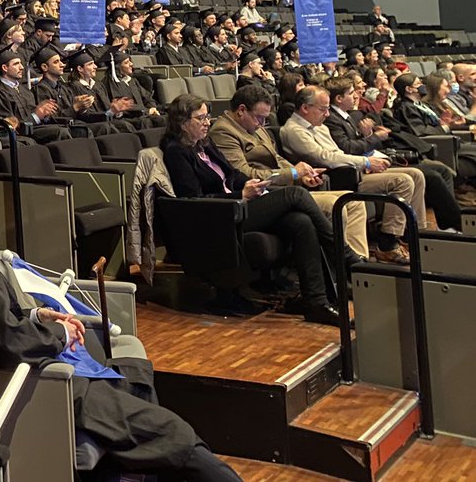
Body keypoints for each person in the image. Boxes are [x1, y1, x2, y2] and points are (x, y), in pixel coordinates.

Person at [0, 168, 242, 482]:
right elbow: (4, 342)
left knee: (135, 377)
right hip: (46, 388)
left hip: (49, 376)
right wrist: (61, 332)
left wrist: (37, 316)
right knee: (177, 436)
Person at [162, 94, 342, 325]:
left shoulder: (204, 144)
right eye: (201, 118)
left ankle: (315, 302)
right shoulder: (176, 152)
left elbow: (234, 175)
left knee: (300, 222)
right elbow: (194, 199)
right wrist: (241, 195)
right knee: (296, 194)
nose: (207, 122)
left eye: (208, 116)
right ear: (182, 122)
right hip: (221, 216)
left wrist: (250, 185)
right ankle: (342, 254)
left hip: (239, 206)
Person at [207, 86, 369, 262]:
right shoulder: (223, 131)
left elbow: (276, 158)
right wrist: (292, 173)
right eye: (259, 117)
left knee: (353, 201)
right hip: (262, 196)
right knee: (335, 205)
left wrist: (301, 174)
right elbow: (243, 173)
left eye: (265, 118)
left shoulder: (256, 126)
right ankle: (341, 265)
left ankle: (360, 266)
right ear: (241, 111)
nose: (262, 124)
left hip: (281, 187)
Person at [280, 86, 424, 264]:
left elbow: (339, 153)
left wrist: (368, 161)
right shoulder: (294, 130)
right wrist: (365, 162)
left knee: (416, 174)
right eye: (323, 109)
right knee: (403, 181)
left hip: (352, 170)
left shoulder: (320, 127)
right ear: (305, 108)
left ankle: (415, 236)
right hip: (339, 177)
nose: (327, 114)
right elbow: (326, 158)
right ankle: (386, 244)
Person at [320, 77, 459, 233]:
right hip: (357, 170)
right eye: (351, 93)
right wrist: (374, 137)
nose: (356, 96)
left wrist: (369, 135)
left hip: (372, 160)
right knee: (416, 177)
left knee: (425, 173)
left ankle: (418, 231)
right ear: (339, 98)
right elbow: (347, 148)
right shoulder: (332, 119)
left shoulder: (346, 115)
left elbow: (358, 143)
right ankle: (392, 238)